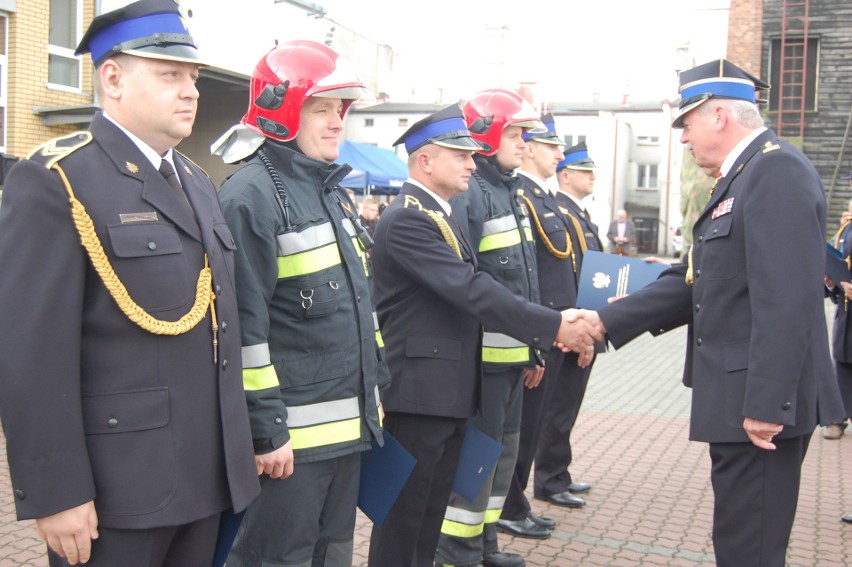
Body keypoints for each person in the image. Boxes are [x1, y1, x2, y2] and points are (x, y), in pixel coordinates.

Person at [0, 2, 260, 565]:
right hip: (119, 491)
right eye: (170, 75)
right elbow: (31, 353)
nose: (190, 91)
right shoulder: (56, 180)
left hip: (206, 477)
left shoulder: (196, 181)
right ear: (112, 78)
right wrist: (56, 491)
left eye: (192, 77)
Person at [573, 59, 845, 567]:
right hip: (739, 399)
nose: (681, 138)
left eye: (686, 122)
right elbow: (695, 277)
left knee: (751, 548)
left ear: (718, 115)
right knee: (740, 540)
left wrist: (767, 404)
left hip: (760, 408)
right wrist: (605, 321)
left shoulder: (775, 171)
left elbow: (786, 299)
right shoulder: (744, 176)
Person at [366, 103, 601, 567]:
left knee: (429, 516)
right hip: (420, 395)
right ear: (426, 161)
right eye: (461, 155)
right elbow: (472, 291)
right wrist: (554, 325)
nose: (473, 163)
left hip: (448, 392)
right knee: (404, 521)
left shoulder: (443, 214)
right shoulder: (409, 218)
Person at [212, 40, 389, 567]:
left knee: (332, 555)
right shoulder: (250, 197)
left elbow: (362, 312)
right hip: (290, 448)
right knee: (276, 559)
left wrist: (375, 399)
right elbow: (244, 334)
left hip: (349, 435)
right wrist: (267, 432)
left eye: (341, 109)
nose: (337, 122)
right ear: (282, 109)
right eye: (322, 108)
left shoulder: (330, 191)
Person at [433, 89, 546, 567]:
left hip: (514, 359)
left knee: (502, 457)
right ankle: (456, 550)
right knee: (477, 459)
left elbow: (525, 281)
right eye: (517, 134)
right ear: (487, 132)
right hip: (483, 365)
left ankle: (485, 544)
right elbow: (466, 284)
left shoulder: (507, 190)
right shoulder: (471, 193)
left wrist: (534, 348)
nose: (524, 144)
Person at [497, 113, 581, 541]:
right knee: (522, 426)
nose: (560, 155)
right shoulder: (523, 196)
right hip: (538, 327)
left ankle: (516, 501)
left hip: (554, 326)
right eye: (551, 147)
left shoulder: (543, 197)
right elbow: (521, 278)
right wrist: (539, 334)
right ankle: (510, 504)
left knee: (533, 424)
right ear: (528, 147)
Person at [531, 141, 605, 507]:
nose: (593, 176)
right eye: (585, 170)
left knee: (566, 406)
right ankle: (549, 478)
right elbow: (569, 275)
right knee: (556, 408)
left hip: (581, 325)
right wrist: (577, 330)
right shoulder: (560, 212)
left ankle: (558, 472)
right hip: (568, 328)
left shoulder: (579, 214)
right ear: (566, 176)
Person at [824, 191, 852, 443]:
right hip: (847, 312)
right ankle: (838, 417)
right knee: (842, 361)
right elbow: (835, 261)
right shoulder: (845, 231)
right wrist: (832, 282)